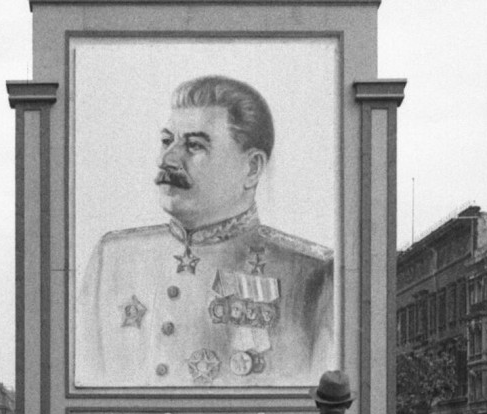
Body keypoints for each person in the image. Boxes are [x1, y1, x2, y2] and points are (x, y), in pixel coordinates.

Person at [77, 75, 335, 388]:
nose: (168, 159)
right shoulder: (113, 259)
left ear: (251, 168)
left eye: (194, 146)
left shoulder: (313, 275)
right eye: (166, 140)